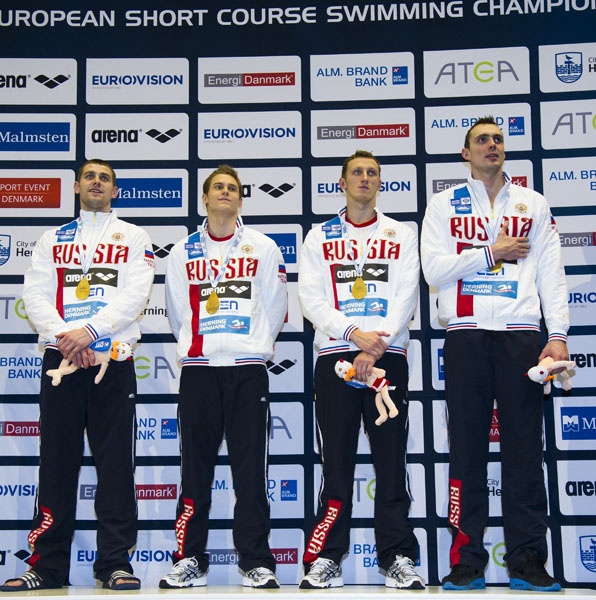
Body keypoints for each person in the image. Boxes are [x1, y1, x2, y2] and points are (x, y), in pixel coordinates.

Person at [420, 116, 568, 592]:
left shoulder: (533, 203)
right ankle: (466, 561)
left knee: (525, 452)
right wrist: (491, 252)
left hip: (523, 336)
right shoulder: (443, 204)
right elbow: (433, 269)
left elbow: (550, 271)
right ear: (466, 154)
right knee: (467, 453)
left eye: (498, 139)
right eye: (482, 140)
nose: (492, 145)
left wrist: (558, 334)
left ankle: (527, 561)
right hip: (466, 337)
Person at [0, 159, 155, 592]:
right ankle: (47, 568)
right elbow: (35, 292)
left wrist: (90, 332)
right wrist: (66, 337)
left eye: (105, 178)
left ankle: (114, 564)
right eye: (90, 177)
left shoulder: (134, 236)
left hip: (113, 361)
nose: (97, 183)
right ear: (76, 187)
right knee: (55, 466)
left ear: (116, 191)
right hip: (61, 363)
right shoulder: (53, 239)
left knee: (116, 467)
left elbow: (135, 293)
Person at [297, 150, 424, 590]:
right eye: (357, 173)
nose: (365, 179)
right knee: (336, 463)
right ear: (342, 182)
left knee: (391, 462)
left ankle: (398, 558)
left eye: (372, 173)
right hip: (336, 356)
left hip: (387, 355)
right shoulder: (319, 236)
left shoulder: (401, 234)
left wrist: (376, 342)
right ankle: (327, 556)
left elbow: (407, 292)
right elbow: (311, 299)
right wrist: (354, 335)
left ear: (380, 183)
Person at [159, 165, 287, 590]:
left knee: (250, 473)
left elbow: (275, 308)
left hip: (248, 371)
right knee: (194, 471)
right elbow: (179, 314)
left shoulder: (263, 248)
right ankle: (189, 558)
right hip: (199, 372)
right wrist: (204, 346)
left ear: (241, 199)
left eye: (233, 188)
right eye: (218, 187)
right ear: (205, 198)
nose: (226, 193)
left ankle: (255, 561)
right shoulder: (182, 252)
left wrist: (249, 346)